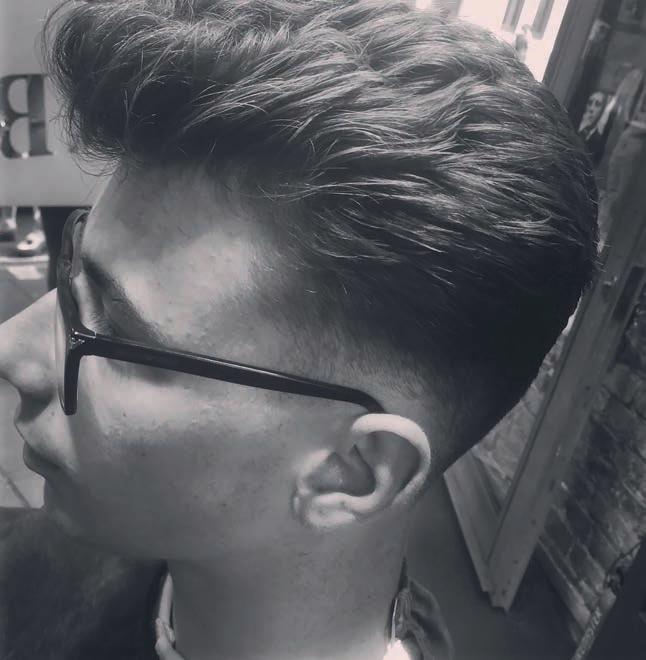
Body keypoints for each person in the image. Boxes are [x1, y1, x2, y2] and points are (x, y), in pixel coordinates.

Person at [0, 2, 598, 659]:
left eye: (112, 332)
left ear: (350, 472)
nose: (11, 349)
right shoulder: (33, 565)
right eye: (73, 273)